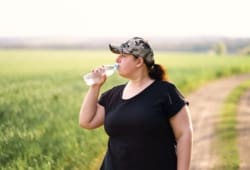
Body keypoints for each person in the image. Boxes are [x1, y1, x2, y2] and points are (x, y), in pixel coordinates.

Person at [79, 37, 193, 170]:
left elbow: (184, 134)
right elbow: (86, 121)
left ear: (139, 61)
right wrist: (95, 86)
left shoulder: (165, 92)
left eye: (123, 55)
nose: (117, 60)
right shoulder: (113, 95)